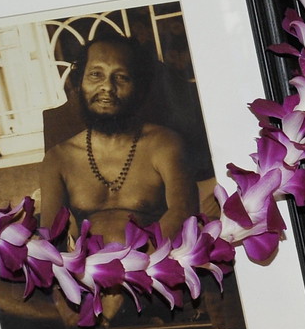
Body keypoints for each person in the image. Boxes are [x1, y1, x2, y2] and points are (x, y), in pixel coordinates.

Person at [40, 34, 198, 244]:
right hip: (86, 271)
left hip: (155, 265)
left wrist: (141, 265)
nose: (107, 87)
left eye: (121, 77)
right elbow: (49, 235)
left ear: (138, 88)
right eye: (96, 74)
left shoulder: (164, 144)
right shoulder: (57, 159)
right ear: (79, 84)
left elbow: (183, 211)